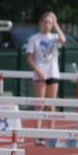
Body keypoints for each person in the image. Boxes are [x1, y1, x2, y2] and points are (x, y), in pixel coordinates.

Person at [26, 11, 66, 143]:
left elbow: (63, 40)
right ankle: (38, 135)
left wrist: (56, 25)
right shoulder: (34, 38)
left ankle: (51, 134)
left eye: (50, 23)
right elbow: (30, 58)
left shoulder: (53, 37)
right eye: (46, 22)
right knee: (40, 103)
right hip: (40, 73)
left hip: (53, 72)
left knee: (51, 104)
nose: (47, 25)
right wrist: (38, 70)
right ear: (40, 23)